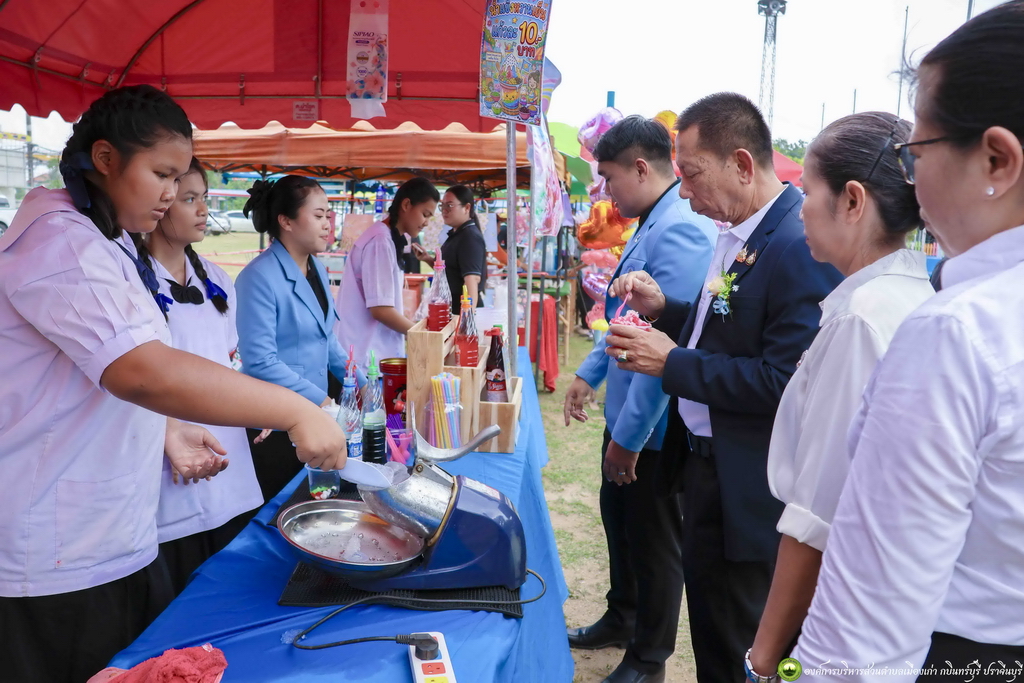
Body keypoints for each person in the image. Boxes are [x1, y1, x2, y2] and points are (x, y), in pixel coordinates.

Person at [0, 85, 345, 683]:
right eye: (162, 175)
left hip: (110, 532)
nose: (170, 193)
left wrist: (166, 427)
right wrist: (297, 410)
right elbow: (142, 369)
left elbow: (96, 374)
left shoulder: (106, 239)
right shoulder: (62, 241)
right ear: (105, 159)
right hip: (58, 548)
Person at [794, 4, 1024, 678]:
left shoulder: (956, 332)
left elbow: (863, 636)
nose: (912, 177)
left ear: (996, 158)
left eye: (916, 152)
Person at [605, 93, 843, 683]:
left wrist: (672, 364)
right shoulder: (741, 229)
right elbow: (725, 329)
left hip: (748, 484)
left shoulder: (795, 243)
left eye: (690, 175)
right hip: (707, 467)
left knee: (736, 641)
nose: (684, 193)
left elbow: (783, 381)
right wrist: (666, 310)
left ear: (741, 164)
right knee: (712, 629)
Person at [742, 113, 934, 678]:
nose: (800, 208)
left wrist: (763, 656)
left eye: (807, 191)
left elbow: (817, 515)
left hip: (839, 601)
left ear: (852, 201)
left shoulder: (861, 319)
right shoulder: (905, 296)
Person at [562, 115, 717, 683]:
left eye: (609, 177)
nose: (605, 191)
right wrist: (589, 373)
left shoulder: (680, 227)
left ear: (642, 168)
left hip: (652, 423)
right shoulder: (657, 218)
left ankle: (648, 657)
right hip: (627, 411)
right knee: (621, 523)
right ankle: (621, 617)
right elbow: (625, 317)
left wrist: (629, 438)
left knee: (652, 540)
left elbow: (660, 347)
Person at [139, 157, 264, 595]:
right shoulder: (132, 281)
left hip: (227, 450)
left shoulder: (218, 279)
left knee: (232, 582)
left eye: (204, 198)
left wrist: (256, 405)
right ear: (161, 203)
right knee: (180, 584)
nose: (202, 210)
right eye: (189, 199)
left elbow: (228, 359)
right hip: (166, 454)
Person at [236, 175, 355, 503]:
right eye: (318, 216)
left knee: (318, 499)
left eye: (328, 215)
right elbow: (260, 361)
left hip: (318, 416)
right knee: (282, 507)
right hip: (276, 421)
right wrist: (324, 402)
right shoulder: (258, 277)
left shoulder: (317, 269)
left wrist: (363, 383)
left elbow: (326, 340)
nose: (327, 224)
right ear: (286, 221)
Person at [335, 177, 439, 369]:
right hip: (364, 356)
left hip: (371, 353)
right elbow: (380, 309)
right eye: (425, 214)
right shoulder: (380, 241)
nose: (426, 223)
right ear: (406, 205)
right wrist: (422, 334)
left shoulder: (386, 238)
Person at [415, 184, 487, 308]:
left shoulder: (469, 237)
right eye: (442, 206)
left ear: (467, 208)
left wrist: (467, 315)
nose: (444, 210)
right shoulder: (457, 234)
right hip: (451, 306)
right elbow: (450, 272)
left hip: (461, 308)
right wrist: (427, 258)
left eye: (450, 205)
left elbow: (472, 280)